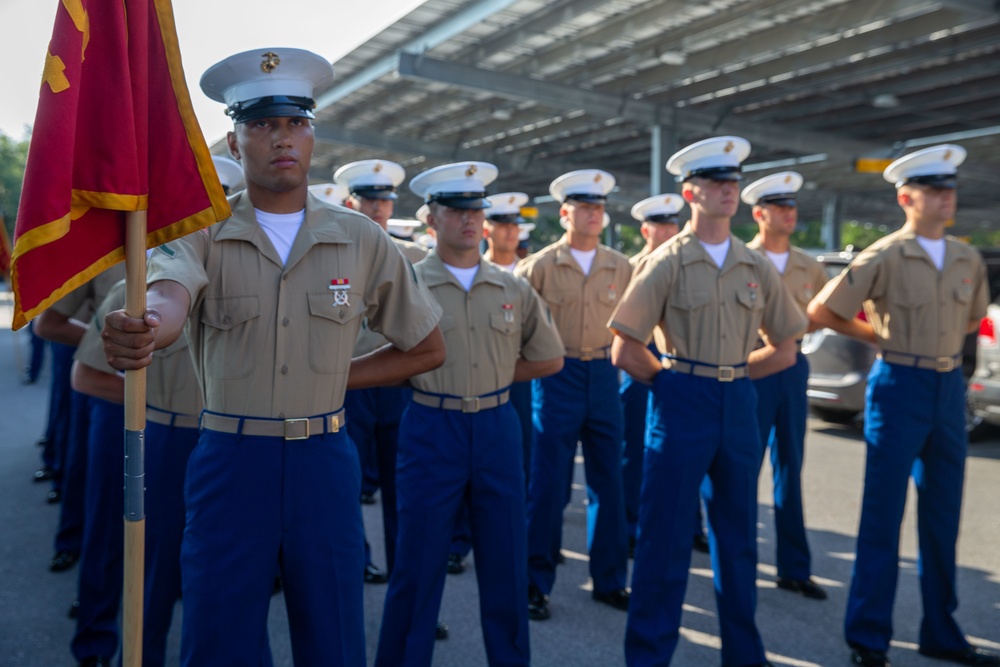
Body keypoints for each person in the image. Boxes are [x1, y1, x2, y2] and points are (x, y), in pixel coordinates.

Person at [101, 47, 444, 666]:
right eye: (261, 124)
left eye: (295, 123)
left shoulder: (362, 237)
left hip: (324, 461)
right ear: (235, 145)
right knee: (219, 640)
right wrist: (149, 324)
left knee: (335, 638)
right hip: (232, 464)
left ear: (312, 138)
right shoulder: (200, 230)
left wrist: (334, 377)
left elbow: (425, 347)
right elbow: (169, 292)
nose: (281, 138)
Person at [609, 136, 805, 667]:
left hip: (737, 401)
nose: (727, 189)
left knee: (738, 539)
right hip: (681, 399)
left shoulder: (753, 264)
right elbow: (625, 349)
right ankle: (649, 656)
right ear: (690, 192)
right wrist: (671, 384)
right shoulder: (666, 261)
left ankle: (745, 656)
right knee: (664, 539)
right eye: (716, 182)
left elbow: (786, 348)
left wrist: (736, 374)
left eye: (733, 181)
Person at [808, 145, 998, 667]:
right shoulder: (884, 255)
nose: (946, 198)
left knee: (943, 517)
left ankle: (942, 631)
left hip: (944, 389)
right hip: (898, 385)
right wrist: (879, 334)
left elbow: (970, 321)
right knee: (882, 516)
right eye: (935, 190)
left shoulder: (965, 257)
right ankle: (868, 639)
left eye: (949, 189)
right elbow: (822, 310)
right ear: (906, 197)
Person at [375, 161, 564, 667]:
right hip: (432, 425)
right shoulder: (408, 284)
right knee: (418, 564)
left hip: (497, 425)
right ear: (432, 219)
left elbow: (549, 357)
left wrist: (495, 378)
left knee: (505, 562)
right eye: (455, 211)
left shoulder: (512, 287)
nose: (469, 220)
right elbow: (376, 359)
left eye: (475, 210)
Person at [515, 169, 632, 621]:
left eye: (598, 208)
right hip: (557, 374)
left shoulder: (621, 266)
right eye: (584, 207)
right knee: (547, 486)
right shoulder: (538, 267)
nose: (592, 215)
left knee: (609, 482)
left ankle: (609, 580)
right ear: (565, 213)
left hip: (605, 374)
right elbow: (518, 329)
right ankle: (533, 584)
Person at [334, 158, 426, 584]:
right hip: (346, 384)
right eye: (369, 200)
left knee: (404, 489)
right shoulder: (330, 250)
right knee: (346, 484)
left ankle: (405, 579)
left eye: (384, 201)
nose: (377, 208)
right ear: (351, 202)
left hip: (397, 382)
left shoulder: (411, 255)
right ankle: (356, 563)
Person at [741, 171, 830, 600]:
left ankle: (794, 568)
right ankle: (737, 563)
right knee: (742, 466)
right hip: (753, 368)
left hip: (792, 367)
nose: (789, 214)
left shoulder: (809, 265)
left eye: (792, 207)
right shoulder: (740, 259)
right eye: (780, 208)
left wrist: (793, 336)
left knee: (791, 468)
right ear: (759, 214)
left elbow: (824, 309)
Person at [619, 193, 686, 556]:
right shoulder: (630, 268)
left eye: (673, 224)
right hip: (640, 362)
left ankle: (691, 525)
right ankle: (631, 525)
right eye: (661, 225)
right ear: (646, 230)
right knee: (635, 450)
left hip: (676, 361)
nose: (669, 230)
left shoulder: (686, 264)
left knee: (685, 451)